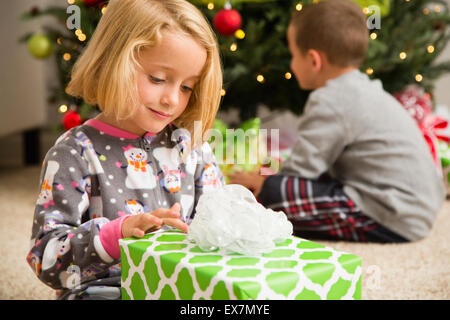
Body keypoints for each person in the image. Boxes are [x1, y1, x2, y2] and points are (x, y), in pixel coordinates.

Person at [26, 0, 224, 300]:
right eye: (158, 78)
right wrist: (114, 235)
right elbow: (46, 258)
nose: (172, 99)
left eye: (187, 87)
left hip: (186, 287)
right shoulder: (73, 152)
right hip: (106, 289)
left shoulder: (192, 148)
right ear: (112, 61)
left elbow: (219, 225)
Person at [230, 0, 445, 243]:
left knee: (275, 193)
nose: (291, 64)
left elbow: (301, 173)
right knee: (285, 183)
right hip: (416, 207)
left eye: (293, 55)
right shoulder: (365, 88)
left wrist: (264, 181)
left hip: (393, 212)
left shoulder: (329, 99)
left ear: (313, 60)